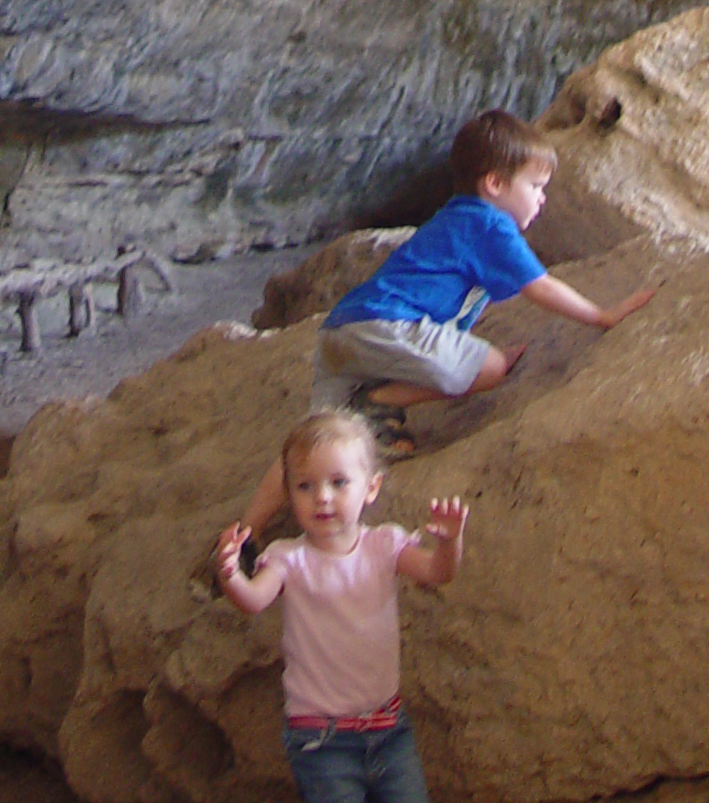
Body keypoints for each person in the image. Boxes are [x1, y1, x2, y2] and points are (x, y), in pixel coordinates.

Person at [238, 107, 656, 541]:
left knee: (310, 445)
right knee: (490, 368)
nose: (542, 199)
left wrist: (462, 350)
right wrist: (602, 316)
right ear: (494, 183)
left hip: (343, 331)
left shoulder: (453, 217)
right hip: (385, 328)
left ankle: (241, 538)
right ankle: (375, 402)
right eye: (535, 186)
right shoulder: (490, 223)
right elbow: (540, 286)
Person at [216, 409, 482, 803]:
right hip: (320, 737)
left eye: (339, 482)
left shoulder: (385, 545)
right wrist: (234, 576)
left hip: (388, 728)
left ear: (372, 487)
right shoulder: (289, 557)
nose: (324, 498)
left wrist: (452, 542)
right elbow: (255, 601)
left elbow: (438, 573)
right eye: (306, 486)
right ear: (290, 495)